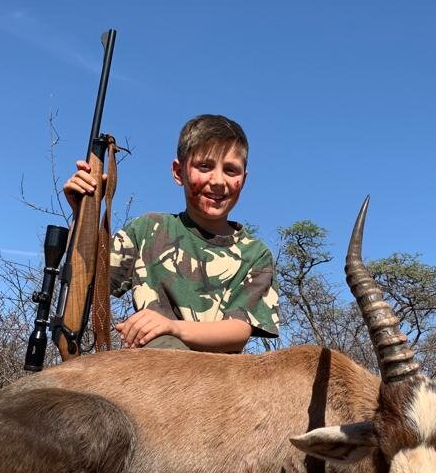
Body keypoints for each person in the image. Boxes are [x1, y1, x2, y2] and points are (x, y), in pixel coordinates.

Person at [62, 114, 279, 353]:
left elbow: (239, 331)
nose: (218, 181)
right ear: (178, 172)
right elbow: (90, 279)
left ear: (243, 179)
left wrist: (172, 327)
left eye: (231, 170)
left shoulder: (256, 254)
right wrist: (82, 215)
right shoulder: (147, 229)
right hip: (151, 367)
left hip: (219, 379)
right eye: (204, 166)